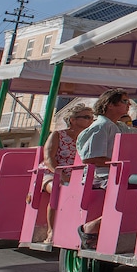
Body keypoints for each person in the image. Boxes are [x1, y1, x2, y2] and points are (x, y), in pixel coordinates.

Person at [74, 88, 137, 249]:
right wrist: (118, 164)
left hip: (115, 173)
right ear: (110, 105)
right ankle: (91, 227)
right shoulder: (100, 127)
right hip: (101, 176)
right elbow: (90, 158)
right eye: (124, 101)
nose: (128, 105)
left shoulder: (116, 125)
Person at [36, 101, 93, 246]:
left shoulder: (89, 138)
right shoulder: (58, 135)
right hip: (52, 172)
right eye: (86, 117)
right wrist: (62, 176)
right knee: (59, 189)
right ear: (73, 120)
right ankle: (51, 230)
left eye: (92, 118)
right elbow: (49, 159)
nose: (90, 120)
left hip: (78, 174)